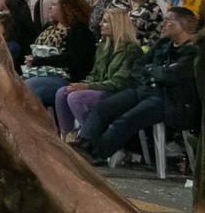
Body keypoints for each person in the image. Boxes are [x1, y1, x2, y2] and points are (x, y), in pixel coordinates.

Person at [83, 7, 201, 163]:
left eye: (168, 21)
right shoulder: (163, 44)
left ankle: (95, 154)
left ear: (183, 25)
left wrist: (153, 72)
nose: (163, 24)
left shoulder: (193, 52)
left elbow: (172, 76)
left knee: (126, 120)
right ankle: (83, 145)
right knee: (102, 107)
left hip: (170, 100)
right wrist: (155, 73)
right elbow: (138, 67)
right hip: (145, 90)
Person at [56, 7, 141, 139]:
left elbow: (119, 82)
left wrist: (87, 87)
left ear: (116, 25)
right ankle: (67, 136)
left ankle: (90, 138)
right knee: (63, 92)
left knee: (76, 98)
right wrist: (82, 84)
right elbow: (95, 74)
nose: (100, 24)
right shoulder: (103, 46)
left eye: (105, 21)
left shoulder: (132, 50)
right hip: (101, 87)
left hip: (118, 93)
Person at [20, 0, 94, 109]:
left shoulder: (80, 31)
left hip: (66, 77)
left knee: (27, 89)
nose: (50, 7)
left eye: (54, 5)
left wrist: (39, 61)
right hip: (43, 72)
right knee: (15, 86)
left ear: (66, 8)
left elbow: (70, 59)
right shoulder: (48, 28)